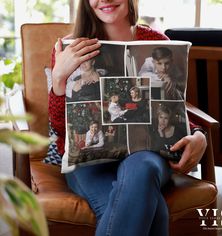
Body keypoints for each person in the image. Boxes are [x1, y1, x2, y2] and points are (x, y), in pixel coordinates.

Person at [49, 0, 207, 235]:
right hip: (89, 161)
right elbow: (61, 129)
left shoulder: (158, 43)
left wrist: (197, 134)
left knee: (142, 167)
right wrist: (59, 77)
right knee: (154, 210)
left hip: (146, 154)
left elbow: (172, 106)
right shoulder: (69, 48)